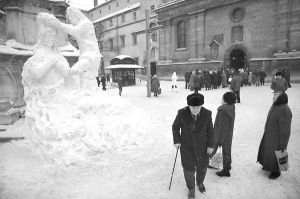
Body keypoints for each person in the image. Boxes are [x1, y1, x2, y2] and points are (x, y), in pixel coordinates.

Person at [39, 6, 102, 89]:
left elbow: (74, 31)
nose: (70, 20)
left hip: (91, 55)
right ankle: (87, 94)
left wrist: (56, 23)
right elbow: (68, 27)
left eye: (71, 17)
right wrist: (52, 22)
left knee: (72, 72)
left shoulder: (86, 23)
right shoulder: (80, 24)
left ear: (76, 15)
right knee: (85, 77)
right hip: (86, 55)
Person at [172, 93, 214, 198]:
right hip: (187, 146)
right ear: (189, 106)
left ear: (201, 106)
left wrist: (210, 145)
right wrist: (177, 140)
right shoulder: (182, 113)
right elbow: (175, 127)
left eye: (198, 107)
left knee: (202, 167)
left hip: (203, 146)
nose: (195, 110)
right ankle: (191, 187)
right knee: (188, 168)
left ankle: (200, 182)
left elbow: (211, 131)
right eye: (193, 107)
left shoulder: (207, 114)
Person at [257, 93, 292, 179]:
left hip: (277, 138)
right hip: (270, 135)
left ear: (280, 98)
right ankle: (267, 165)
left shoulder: (284, 109)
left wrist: (283, 144)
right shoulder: (275, 106)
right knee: (267, 152)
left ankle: (276, 171)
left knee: (275, 153)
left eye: (275, 96)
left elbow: (285, 129)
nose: (273, 97)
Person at [209, 92, 236, 177]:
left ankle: (226, 170)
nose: (221, 99)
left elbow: (222, 127)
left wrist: (219, 140)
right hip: (227, 134)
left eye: (222, 98)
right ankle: (215, 164)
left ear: (225, 100)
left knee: (224, 151)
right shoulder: (230, 108)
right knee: (222, 150)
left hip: (222, 135)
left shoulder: (224, 111)